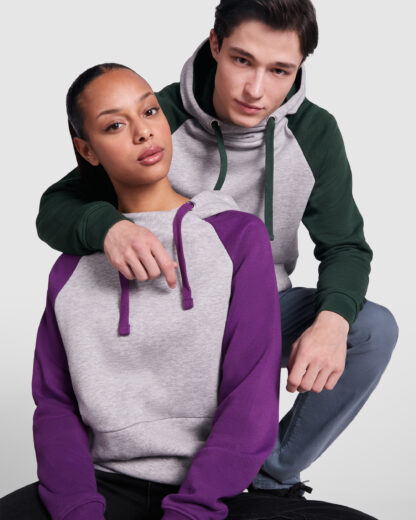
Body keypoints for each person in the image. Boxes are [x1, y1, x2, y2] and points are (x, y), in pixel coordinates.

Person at [34, 0, 399, 498]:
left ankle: (269, 475)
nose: (256, 90)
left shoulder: (313, 134)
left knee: (371, 328)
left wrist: (333, 322)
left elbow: (347, 247)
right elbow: (56, 207)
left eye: (280, 71)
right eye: (242, 61)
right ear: (215, 45)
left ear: (300, 67)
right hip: (173, 305)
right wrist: (108, 228)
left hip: (262, 306)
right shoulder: (156, 117)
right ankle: (153, 463)